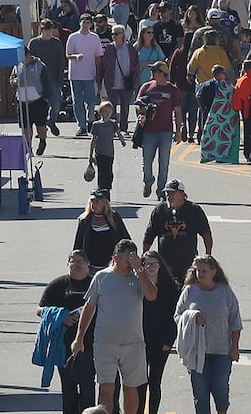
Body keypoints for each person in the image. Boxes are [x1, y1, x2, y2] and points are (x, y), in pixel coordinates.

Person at [72, 241, 159, 414]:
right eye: (127, 258)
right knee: (106, 390)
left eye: (133, 257)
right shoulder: (102, 277)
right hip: (105, 343)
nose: (130, 262)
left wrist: (140, 269)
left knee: (131, 389)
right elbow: (89, 307)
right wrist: (79, 337)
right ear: (116, 258)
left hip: (133, 343)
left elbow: (152, 295)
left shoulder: (139, 276)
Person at [175, 255, 243, 414]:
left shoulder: (225, 291)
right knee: (200, 391)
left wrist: (235, 347)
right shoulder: (189, 291)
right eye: (198, 270)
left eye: (205, 270)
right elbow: (177, 315)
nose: (201, 274)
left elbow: (235, 321)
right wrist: (191, 317)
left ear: (214, 271)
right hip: (197, 351)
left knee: (221, 389)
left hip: (221, 350)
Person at [41, 251, 96, 414]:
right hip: (63, 346)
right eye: (73, 262)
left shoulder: (95, 283)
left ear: (88, 264)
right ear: (68, 264)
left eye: (81, 261)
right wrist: (61, 316)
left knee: (88, 387)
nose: (77, 265)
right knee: (69, 387)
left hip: (91, 345)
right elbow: (40, 309)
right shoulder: (58, 285)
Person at [133, 249, 180, 414]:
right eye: (146, 264)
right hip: (139, 340)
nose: (150, 267)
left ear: (160, 266)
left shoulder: (171, 288)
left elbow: (175, 318)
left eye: (154, 264)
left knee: (155, 381)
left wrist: (169, 342)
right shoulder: (136, 285)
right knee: (139, 382)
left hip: (161, 342)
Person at [142, 180, 214, 280]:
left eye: (172, 192)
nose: (169, 196)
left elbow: (206, 234)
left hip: (188, 263)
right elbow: (149, 235)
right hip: (165, 264)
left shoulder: (194, 210)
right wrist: (144, 256)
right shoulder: (160, 210)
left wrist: (208, 255)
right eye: (167, 193)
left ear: (182, 193)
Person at [135, 61, 185, 198]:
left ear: (163, 73)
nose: (152, 73)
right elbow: (138, 104)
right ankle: (148, 181)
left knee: (164, 163)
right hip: (149, 131)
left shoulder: (173, 90)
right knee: (147, 162)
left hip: (165, 131)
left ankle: (161, 191)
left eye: (155, 70)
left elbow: (178, 111)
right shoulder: (146, 87)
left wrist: (179, 131)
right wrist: (142, 113)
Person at [73, 189, 131, 271]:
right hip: (90, 266)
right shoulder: (84, 220)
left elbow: (125, 240)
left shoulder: (114, 218)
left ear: (104, 203)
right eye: (92, 201)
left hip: (111, 266)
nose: (93, 204)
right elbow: (78, 244)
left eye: (97, 202)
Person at [66, 14, 105, 134]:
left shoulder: (95, 37)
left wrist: (99, 73)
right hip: (75, 74)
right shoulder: (73, 37)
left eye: (88, 22)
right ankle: (81, 125)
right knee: (77, 101)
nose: (85, 25)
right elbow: (68, 54)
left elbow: (98, 56)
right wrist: (75, 56)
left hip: (89, 73)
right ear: (80, 23)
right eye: (83, 22)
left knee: (91, 100)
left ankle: (90, 121)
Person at [198, 64, 239, 164]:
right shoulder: (227, 86)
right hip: (225, 118)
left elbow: (199, 97)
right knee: (225, 137)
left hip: (211, 116)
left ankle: (208, 155)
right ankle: (223, 156)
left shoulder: (205, 85)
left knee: (210, 136)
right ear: (221, 74)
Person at [87, 101, 121, 194]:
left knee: (109, 173)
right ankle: (101, 190)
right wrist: (90, 154)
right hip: (99, 153)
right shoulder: (96, 125)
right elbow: (93, 140)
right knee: (101, 173)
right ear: (100, 112)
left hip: (109, 153)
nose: (107, 114)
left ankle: (107, 187)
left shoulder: (113, 123)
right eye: (105, 111)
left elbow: (118, 133)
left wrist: (122, 141)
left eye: (109, 111)